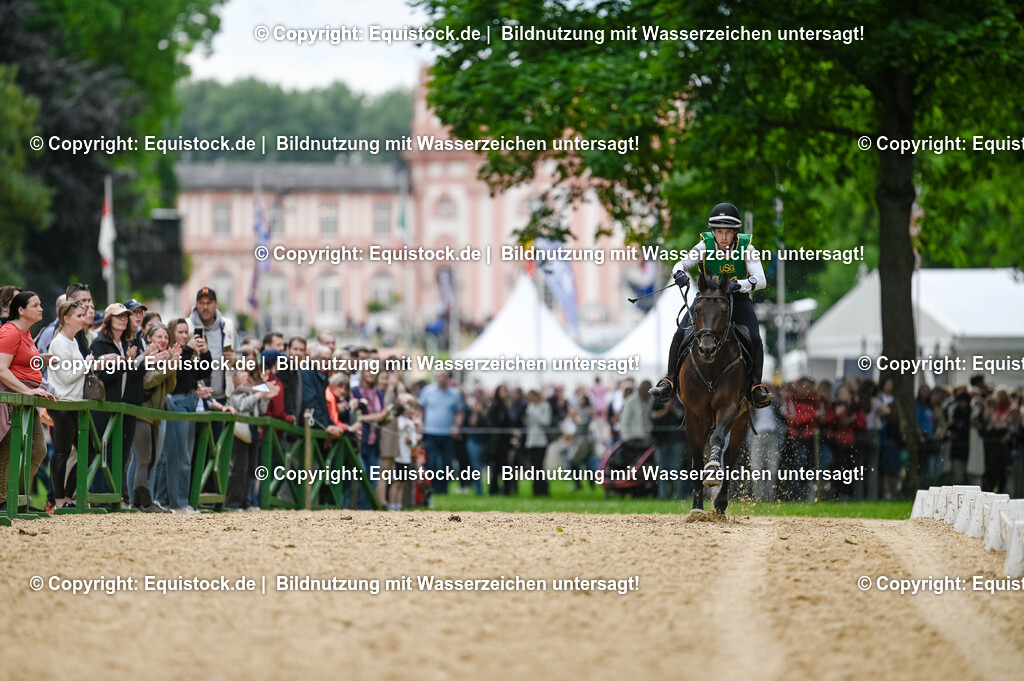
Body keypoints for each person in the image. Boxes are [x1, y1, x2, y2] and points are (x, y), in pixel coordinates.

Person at [649, 202, 773, 409]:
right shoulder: (703, 246)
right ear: (713, 232)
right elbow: (681, 263)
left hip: (738, 300)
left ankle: (756, 386)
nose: (723, 237)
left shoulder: (747, 248)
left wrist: (739, 284)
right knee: (680, 334)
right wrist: (678, 273)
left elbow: (761, 280)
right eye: (719, 232)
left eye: (728, 232)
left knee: (754, 338)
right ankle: (669, 380)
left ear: (735, 232)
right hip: (708, 300)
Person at [0, 291, 57, 508]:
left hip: (25, 399)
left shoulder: (26, 333)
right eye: (35, 305)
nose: (41, 308)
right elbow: (1, 369)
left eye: (41, 304)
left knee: (37, 450)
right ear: (21, 310)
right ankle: (4, 501)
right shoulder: (10, 332)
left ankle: (16, 498)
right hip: (11, 399)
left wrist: (40, 359)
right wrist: (27, 391)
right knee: (7, 450)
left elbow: (20, 363)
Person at [152, 318, 213, 513]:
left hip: (190, 402)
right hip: (175, 402)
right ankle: (179, 503)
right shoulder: (174, 354)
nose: (185, 336)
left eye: (186, 332)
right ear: (172, 334)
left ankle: (163, 500)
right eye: (180, 332)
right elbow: (178, 375)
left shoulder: (189, 353)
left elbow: (201, 374)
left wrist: (204, 353)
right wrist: (189, 351)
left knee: (177, 454)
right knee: (179, 455)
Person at [46, 299, 94, 509]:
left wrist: (88, 365)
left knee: (89, 452)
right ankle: (58, 501)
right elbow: (66, 377)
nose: (83, 320)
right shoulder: (58, 343)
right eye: (79, 316)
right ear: (66, 318)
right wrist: (88, 364)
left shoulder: (73, 341)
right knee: (61, 453)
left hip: (75, 403)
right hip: (63, 405)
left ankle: (67, 495)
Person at [132, 323, 177, 512]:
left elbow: (170, 387)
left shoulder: (163, 359)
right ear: (149, 338)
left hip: (155, 414)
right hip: (142, 412)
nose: (163, 341)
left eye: (166, 337)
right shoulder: (147, 358)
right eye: (159, 337)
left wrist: (172, 366)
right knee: (144, 457)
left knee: (152, 459)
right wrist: (167, 368)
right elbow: (146, 382)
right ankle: (144, 501)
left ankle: (140, 500)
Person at [187, 287, 236, 406]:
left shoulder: (227, 326)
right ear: (196, 304)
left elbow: (238, 358)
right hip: (196, 396)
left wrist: (235, 361)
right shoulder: (187, 326)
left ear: (216, 304)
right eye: (201, 303)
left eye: (209, 303)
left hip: (221, 395)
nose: (205, 307)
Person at [418, 370, 464, 495]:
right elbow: (420, 408)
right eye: (439, 376)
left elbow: (459, 412)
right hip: (430, 432)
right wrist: (420, 423)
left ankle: (443, 488)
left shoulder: (455, 394)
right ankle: (431, 487)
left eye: (444, 376)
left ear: (448, 378)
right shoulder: (427, 391)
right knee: (431, 462)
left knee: (446, 463)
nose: (441, 379)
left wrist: (456, 426)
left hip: (447, 434)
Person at [523, 390, 552, 497]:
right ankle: (536, 489)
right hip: (531, 441)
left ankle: (543, 489)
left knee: (539, 465)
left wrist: (534, 413)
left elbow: (546, 421)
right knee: (533, 467)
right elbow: (527, 423)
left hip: (541, 441)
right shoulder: (530, 407)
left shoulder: (545, 406)